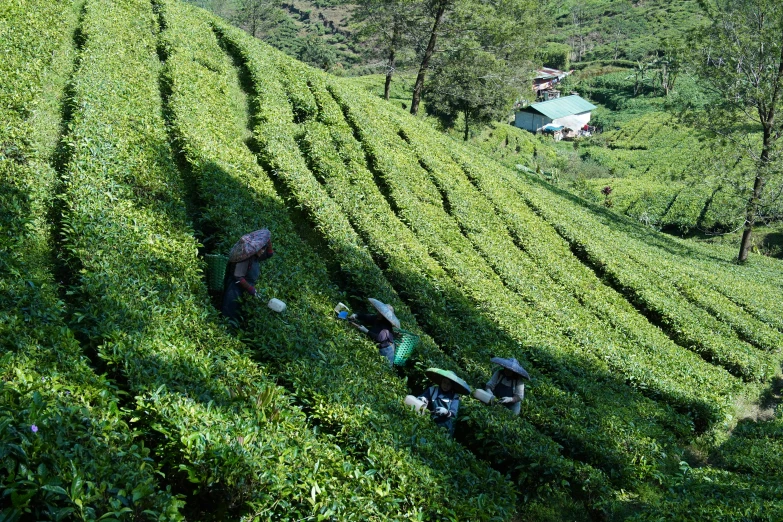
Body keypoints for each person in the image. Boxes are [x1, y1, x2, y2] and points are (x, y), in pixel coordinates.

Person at [221, 229, 274, 320]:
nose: (262, 251)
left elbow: (269, 254)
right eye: (261, 249)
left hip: (244, 289)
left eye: (263, 248)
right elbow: (238, 277)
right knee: (230, 314)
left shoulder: (255, 256)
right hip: (235, 289)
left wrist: (267, 240)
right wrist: (250, 289)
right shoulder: (245, 258)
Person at [417, 368, 471, 437]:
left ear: (452, 386)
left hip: (445, 427)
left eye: (449, 384)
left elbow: (454, 413)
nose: (446, 385)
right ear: (441, 381)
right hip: (431, 421)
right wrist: (423, 399)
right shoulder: (433, 389)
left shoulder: (455, 397)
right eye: (444, 382)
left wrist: (446, 412)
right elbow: (423, 398)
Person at [349, 298, 399, 366]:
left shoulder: (386, 327)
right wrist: (357, 315)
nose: (378, 313)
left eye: (381, 313)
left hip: (387, 350)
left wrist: (366, 331)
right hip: (381, 347)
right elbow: (368, 317)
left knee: (385, 367)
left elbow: (379, 338)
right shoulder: (378, 318)